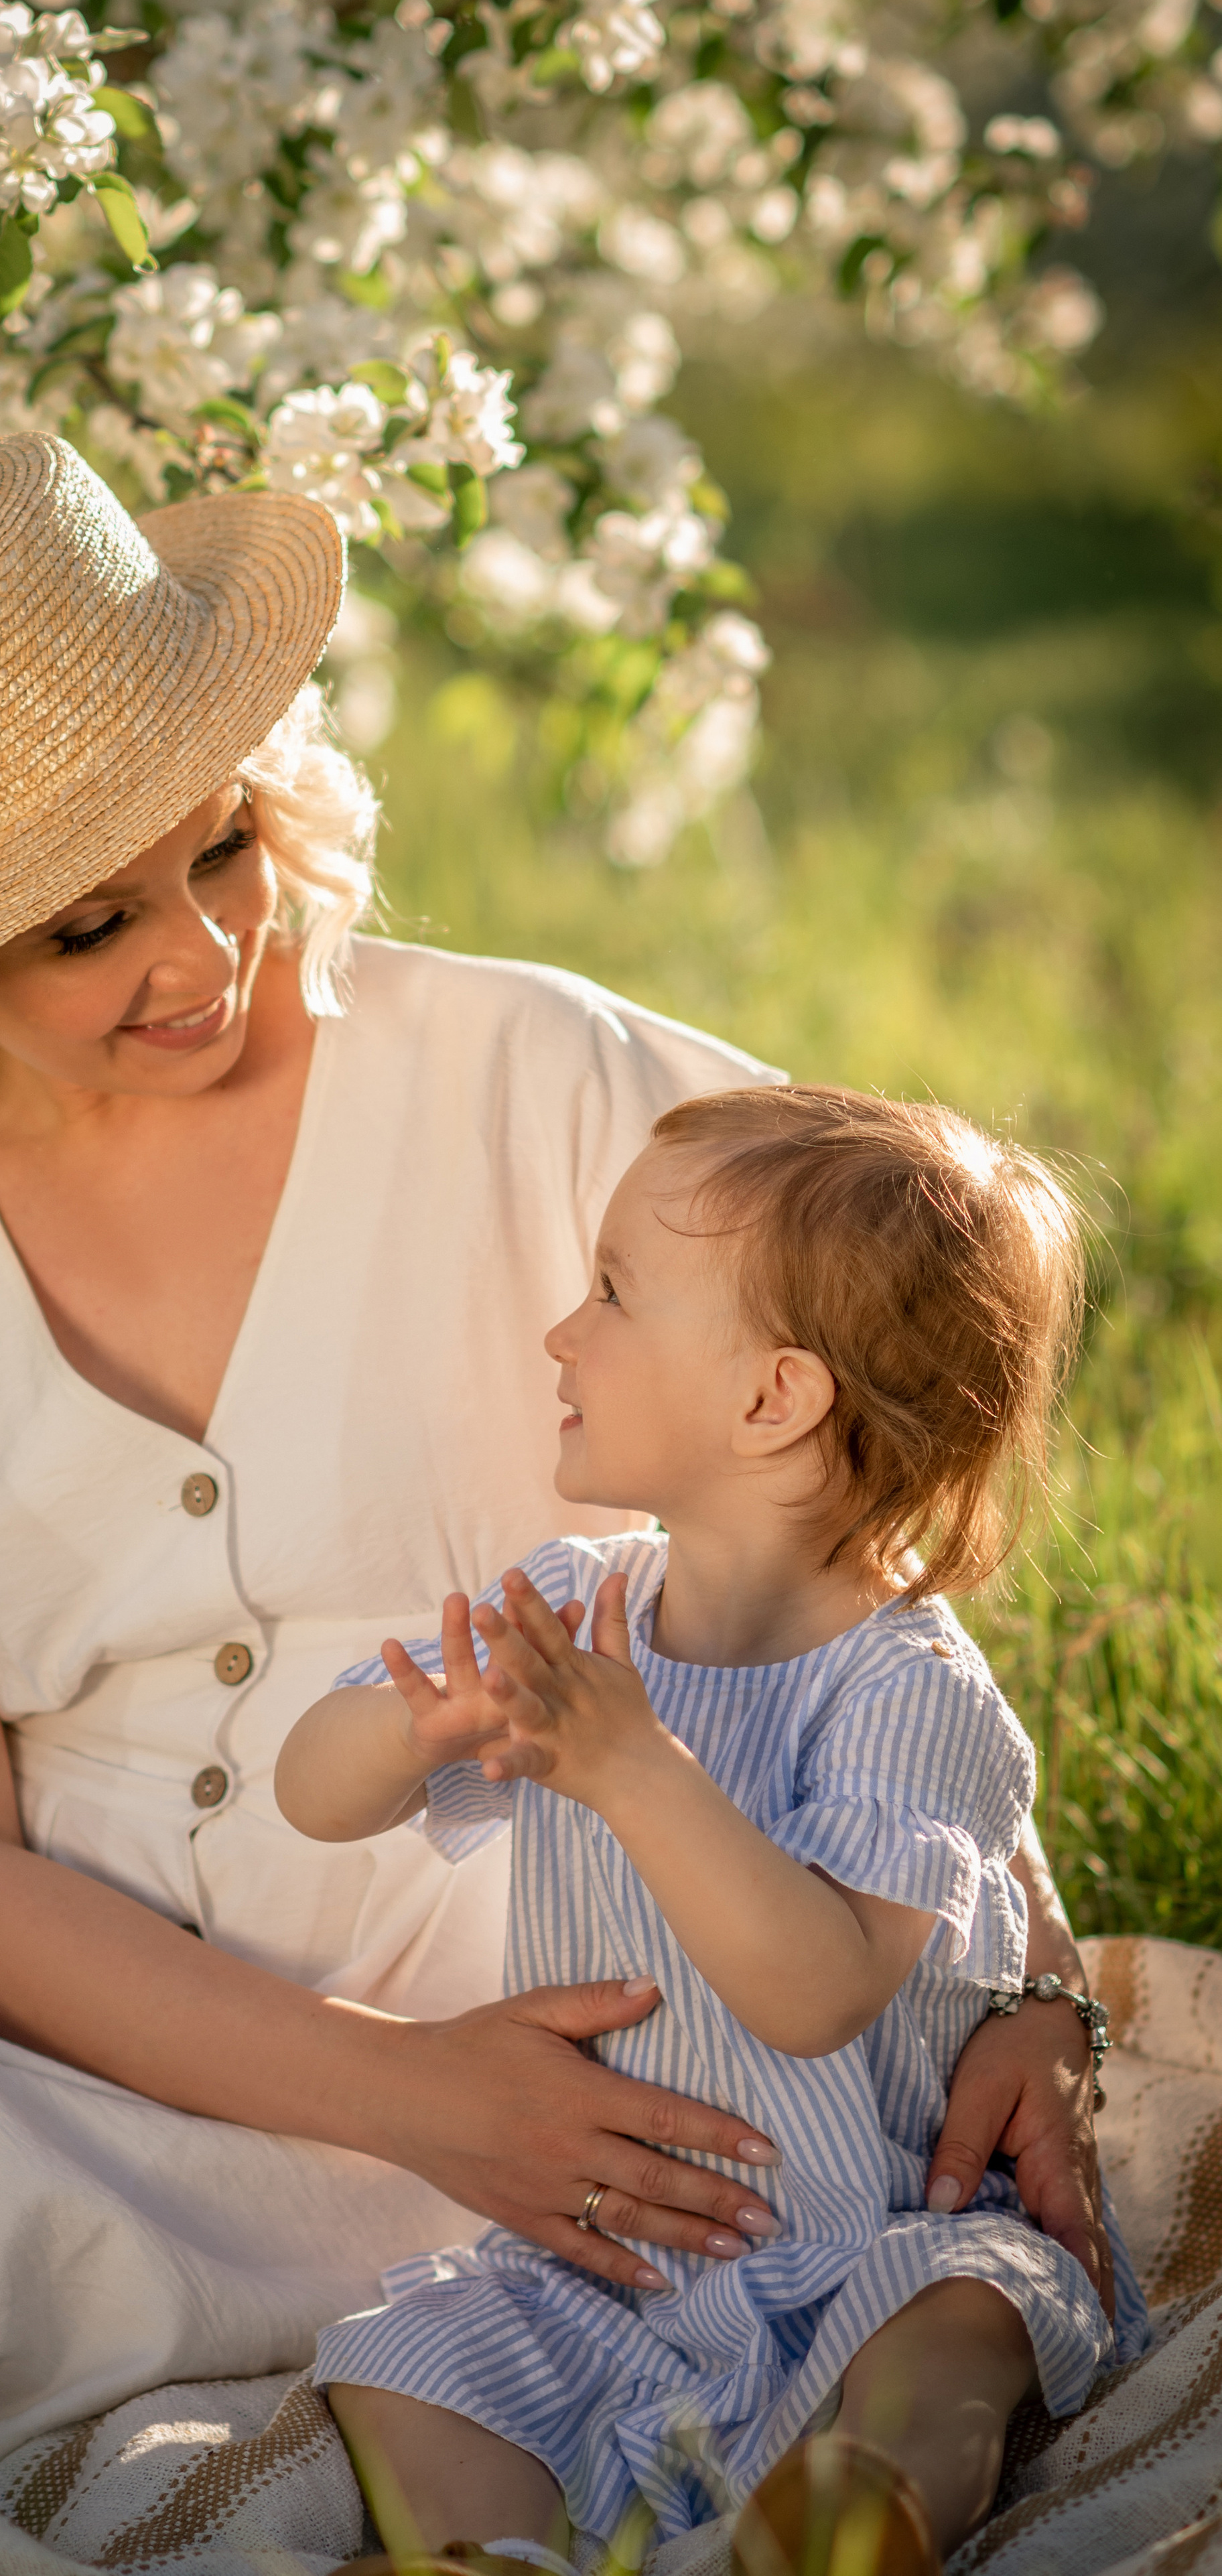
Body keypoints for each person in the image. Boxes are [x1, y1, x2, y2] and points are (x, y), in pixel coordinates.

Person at [0, 436, 1112, 2484]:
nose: (200, 955)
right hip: (41, 1981)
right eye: (89, 926)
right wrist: (390, 2084)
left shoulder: (544, 1074)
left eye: (226, 849)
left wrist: (1023, 1992)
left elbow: (874, 1514)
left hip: (531, 2047)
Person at [279, 1085, 1146, 2576]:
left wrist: (635, 1771)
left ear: (771, 1399)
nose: (562, 1334)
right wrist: (411, 1730)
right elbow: (308, 1791)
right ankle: (488, 2552)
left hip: (867, 2240)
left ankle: (839, 2518)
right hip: (611, 2258)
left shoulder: (909, 1689)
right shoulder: (575, 1607)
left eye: (610, 1294)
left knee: (971, 2324)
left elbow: (811, 1992)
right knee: (413, 2346)